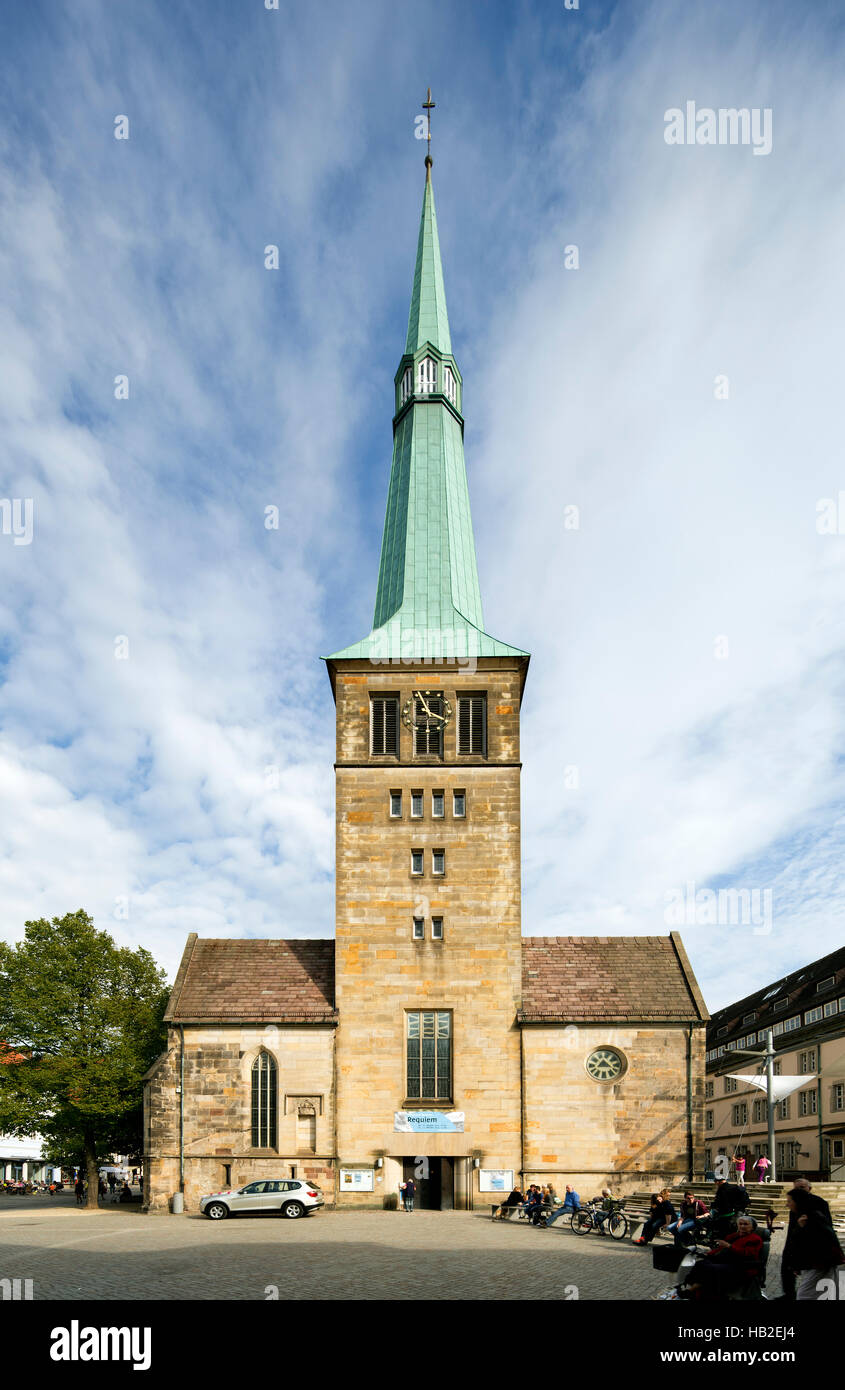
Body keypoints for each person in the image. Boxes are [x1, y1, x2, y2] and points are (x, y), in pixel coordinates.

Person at [782, 1185, 843, 1301]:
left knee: (805, 1295)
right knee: (825, 1293)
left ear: (797, 1201)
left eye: (789, 1201)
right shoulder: (803, 1216)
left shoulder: (811, 1217)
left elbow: (819, 1241)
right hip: (817, 1264)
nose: (787, 1204)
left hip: (820, 1264)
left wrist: (803, 1228)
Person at [682, 1215, 763, 1299]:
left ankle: (697, 1292)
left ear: (752, 1227)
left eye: (745, 1224)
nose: (742, 1226)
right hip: (727, 1261)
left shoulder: (755, 1239)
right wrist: (709, 1253)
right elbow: (721, 1248)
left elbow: (748, 1254)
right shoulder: (735, 1235)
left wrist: (729, 1246)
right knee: (700, 1263)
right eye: (740, 1224)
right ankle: (695, 1290)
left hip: (741, 1265)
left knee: (710, 1268)